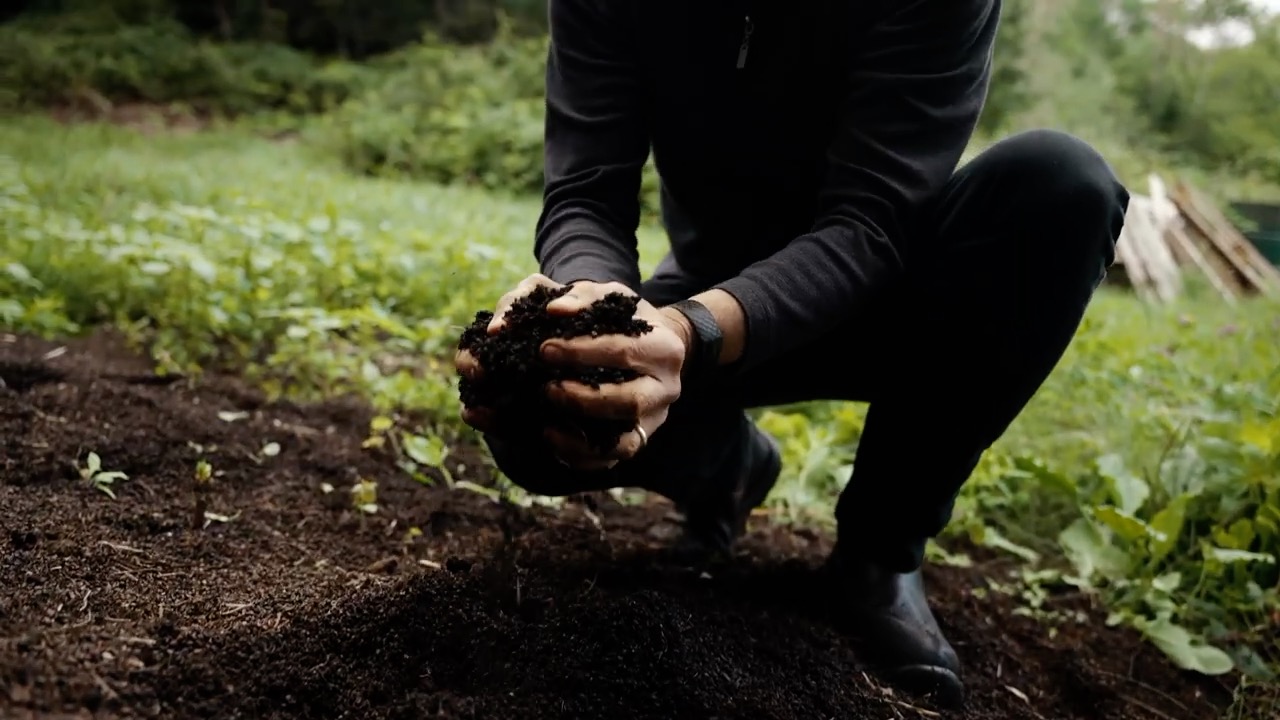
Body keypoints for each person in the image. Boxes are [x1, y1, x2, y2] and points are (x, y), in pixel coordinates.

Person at [456, 0, 1130, 709]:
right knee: (534, 407)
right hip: (707, 291)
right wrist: (595, 311)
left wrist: (691, 332)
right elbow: (586, 192)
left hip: (898, 301)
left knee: (1064, 184)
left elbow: (871, 221)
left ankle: (880, 552)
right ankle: (727, 465)